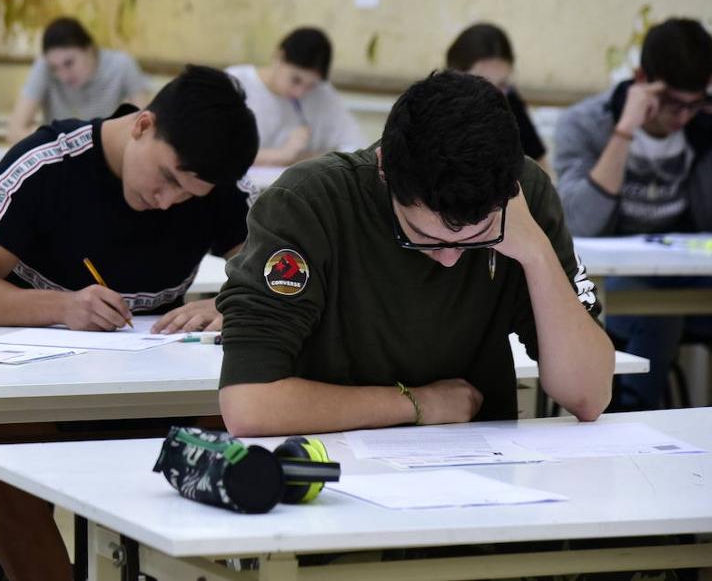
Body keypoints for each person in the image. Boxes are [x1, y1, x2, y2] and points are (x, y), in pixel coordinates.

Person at [0, 65, 259, 581]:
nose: (168, 200)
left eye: (188, 196)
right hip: (36, 375)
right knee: (6, 451)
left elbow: (275, 267)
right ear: (142, 125)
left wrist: (228, 302)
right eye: (168, 178)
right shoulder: (46, 165)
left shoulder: (216, 186)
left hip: (152, 378)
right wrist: (62, 308)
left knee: (238, 428)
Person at [217, 71, 613, 438]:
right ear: (384, 168)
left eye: (477, 239)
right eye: (425, 237)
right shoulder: (308, 204)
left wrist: (536, 252)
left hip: (479, 470)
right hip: (331, 468)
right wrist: (418, 404)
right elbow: (249, 404)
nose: (449, 259)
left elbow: (589, 395)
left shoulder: (524, 195)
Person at [554, 17, 712, 411]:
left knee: (664, 308)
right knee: (658, 312)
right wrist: (625, 130)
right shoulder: (586, 124)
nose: (683, 118)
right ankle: (627, 419)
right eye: (674, 103)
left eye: (695, 105)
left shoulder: (703, 127)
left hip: (690, 277)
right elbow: (579, 225)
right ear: (643, 79)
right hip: (611, 283)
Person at [227, 26, 363, 166]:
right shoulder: (235, 83)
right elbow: (216, 151)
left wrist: (303, 157)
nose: (300, 93)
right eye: (296, 80)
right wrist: (281, 156)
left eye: (310, 86)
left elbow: (354, 148)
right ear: (278, 57)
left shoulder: (321, 93)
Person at [5, 16, 148, 144]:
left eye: (69, 63)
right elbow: (14, 132)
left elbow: (147, 126)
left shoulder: (121, 65)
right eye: (55, 68)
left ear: (90, 49)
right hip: (60, 158)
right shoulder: (44, 67)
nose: (63, 76)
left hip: (103, 158)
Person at [446, 22, 548, 166]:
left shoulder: (510, 100)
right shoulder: (430, 111)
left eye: (502, 84)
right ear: (454, 77)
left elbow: (541, 169)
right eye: (482, 83)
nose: (494, 95)